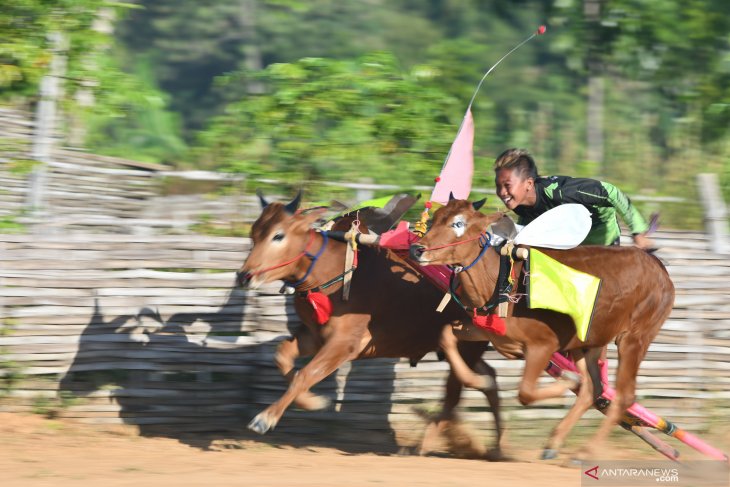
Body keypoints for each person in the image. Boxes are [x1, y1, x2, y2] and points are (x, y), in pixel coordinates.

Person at [493, 148, 654, 249]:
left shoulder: (560, 192)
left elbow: (611, 192)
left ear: (528, 184)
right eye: (498, 186)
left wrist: (638, 231)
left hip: (599, 233)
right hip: (569, 237)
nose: (502, 192)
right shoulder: (521, 206)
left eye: (507, 185)